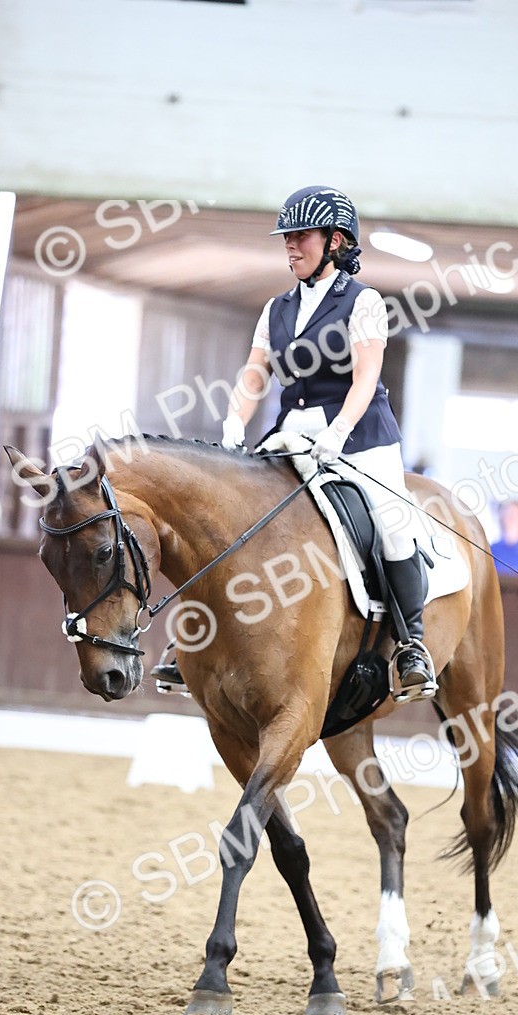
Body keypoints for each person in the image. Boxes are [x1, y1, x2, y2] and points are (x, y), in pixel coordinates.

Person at [162, 185, 436, 701]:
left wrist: (337, 434)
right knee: (230, 510)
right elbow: (254, 372)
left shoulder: (365, 302)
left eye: (300, 237)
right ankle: (192, 641)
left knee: (395, 524)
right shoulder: (277, 308)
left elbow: (365, 378)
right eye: (286, 238)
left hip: (362, 437)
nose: (290, 246)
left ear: (335, 241)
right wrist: (232, 425)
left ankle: (411, 644)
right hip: (293, 430)